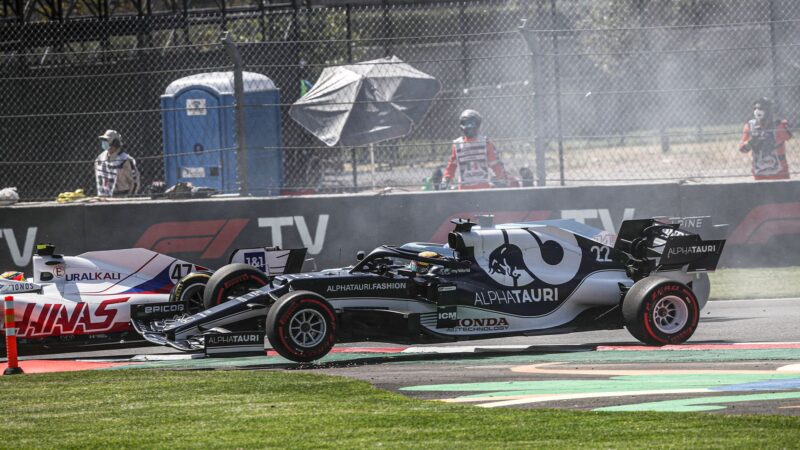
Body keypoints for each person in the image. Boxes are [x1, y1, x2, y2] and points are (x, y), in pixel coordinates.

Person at [442, 109, 512, 189]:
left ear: (477, 124)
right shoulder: (457, 144)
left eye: (471, 123)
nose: (469, 126)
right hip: (464, 187)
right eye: (466, 123)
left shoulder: (485, 143)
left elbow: (495, 163)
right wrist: (446, 179)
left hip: (483, 187)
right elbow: (452, 164)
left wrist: (501, 178)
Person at [738, 98, 792, 180]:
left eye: (761, 108)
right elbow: (742, 149)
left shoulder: (778, 125)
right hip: (760, 173)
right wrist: (751, 143)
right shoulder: (750, 126)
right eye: (755, 108)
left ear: (769, 110)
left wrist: (771, 138)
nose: (757, 111)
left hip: (779, 173)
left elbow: (789, 136)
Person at [95, 130, 140, 197]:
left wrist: (130, 199)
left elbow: (135, 182)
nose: (104, 143)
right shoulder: (100, 158)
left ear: (115, 143)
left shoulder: (125, 160)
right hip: (105, 195)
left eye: (107, 140)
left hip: (122, 195)